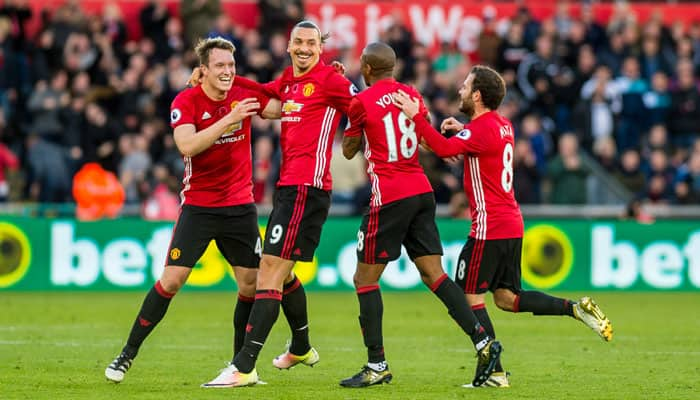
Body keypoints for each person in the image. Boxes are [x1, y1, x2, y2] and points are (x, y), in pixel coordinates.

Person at [393, 65, 613, 388]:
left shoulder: (478, 132)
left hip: (488, 227)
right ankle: (575, 309)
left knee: (467, 295)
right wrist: (463, 128)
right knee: (507, 298)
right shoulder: (503, 125)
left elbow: (443, 150)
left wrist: (417, 116)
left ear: (478, 95)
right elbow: (475, 143)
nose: (460, 91)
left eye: (466, 86)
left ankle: (494, 371)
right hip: (511, 223)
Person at [105, 37, 279, 384]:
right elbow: (187, 145)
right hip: (199, 207)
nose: (228, 71)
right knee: (172, 279)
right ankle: (127, 353)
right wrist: (229, 120)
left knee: (249, 285)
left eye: (232, 65)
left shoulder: (242, 96)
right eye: (220, 66)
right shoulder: (187, 101)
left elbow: (281, 107)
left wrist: (316, 81)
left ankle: (240, 367)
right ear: (203, 71)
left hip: (239, 207)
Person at [202, 20, 358, 387]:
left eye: (312, 43)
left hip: (308, 187)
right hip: (289, 187)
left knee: (268, 269)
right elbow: (258, 92)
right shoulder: (289, 80)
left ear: (321, 48)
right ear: (288, 46)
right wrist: (214, 79)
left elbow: (361, 106)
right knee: (283, 273)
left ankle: (244, 367)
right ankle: (301, 346)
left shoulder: (332, 81)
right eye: (299, 42)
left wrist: (353, 139)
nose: (304, 48)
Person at [338, 42, 502, 389]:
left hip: (390, 197)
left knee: (364, 280)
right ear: (392, 68)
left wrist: (351, 114)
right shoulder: (410, 94)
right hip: (421, 191)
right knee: (434, 275)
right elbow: (424, 139)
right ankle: (484, 341)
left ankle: (376, 364)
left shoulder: (360, 102)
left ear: (367, 68)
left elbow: (350, 151)